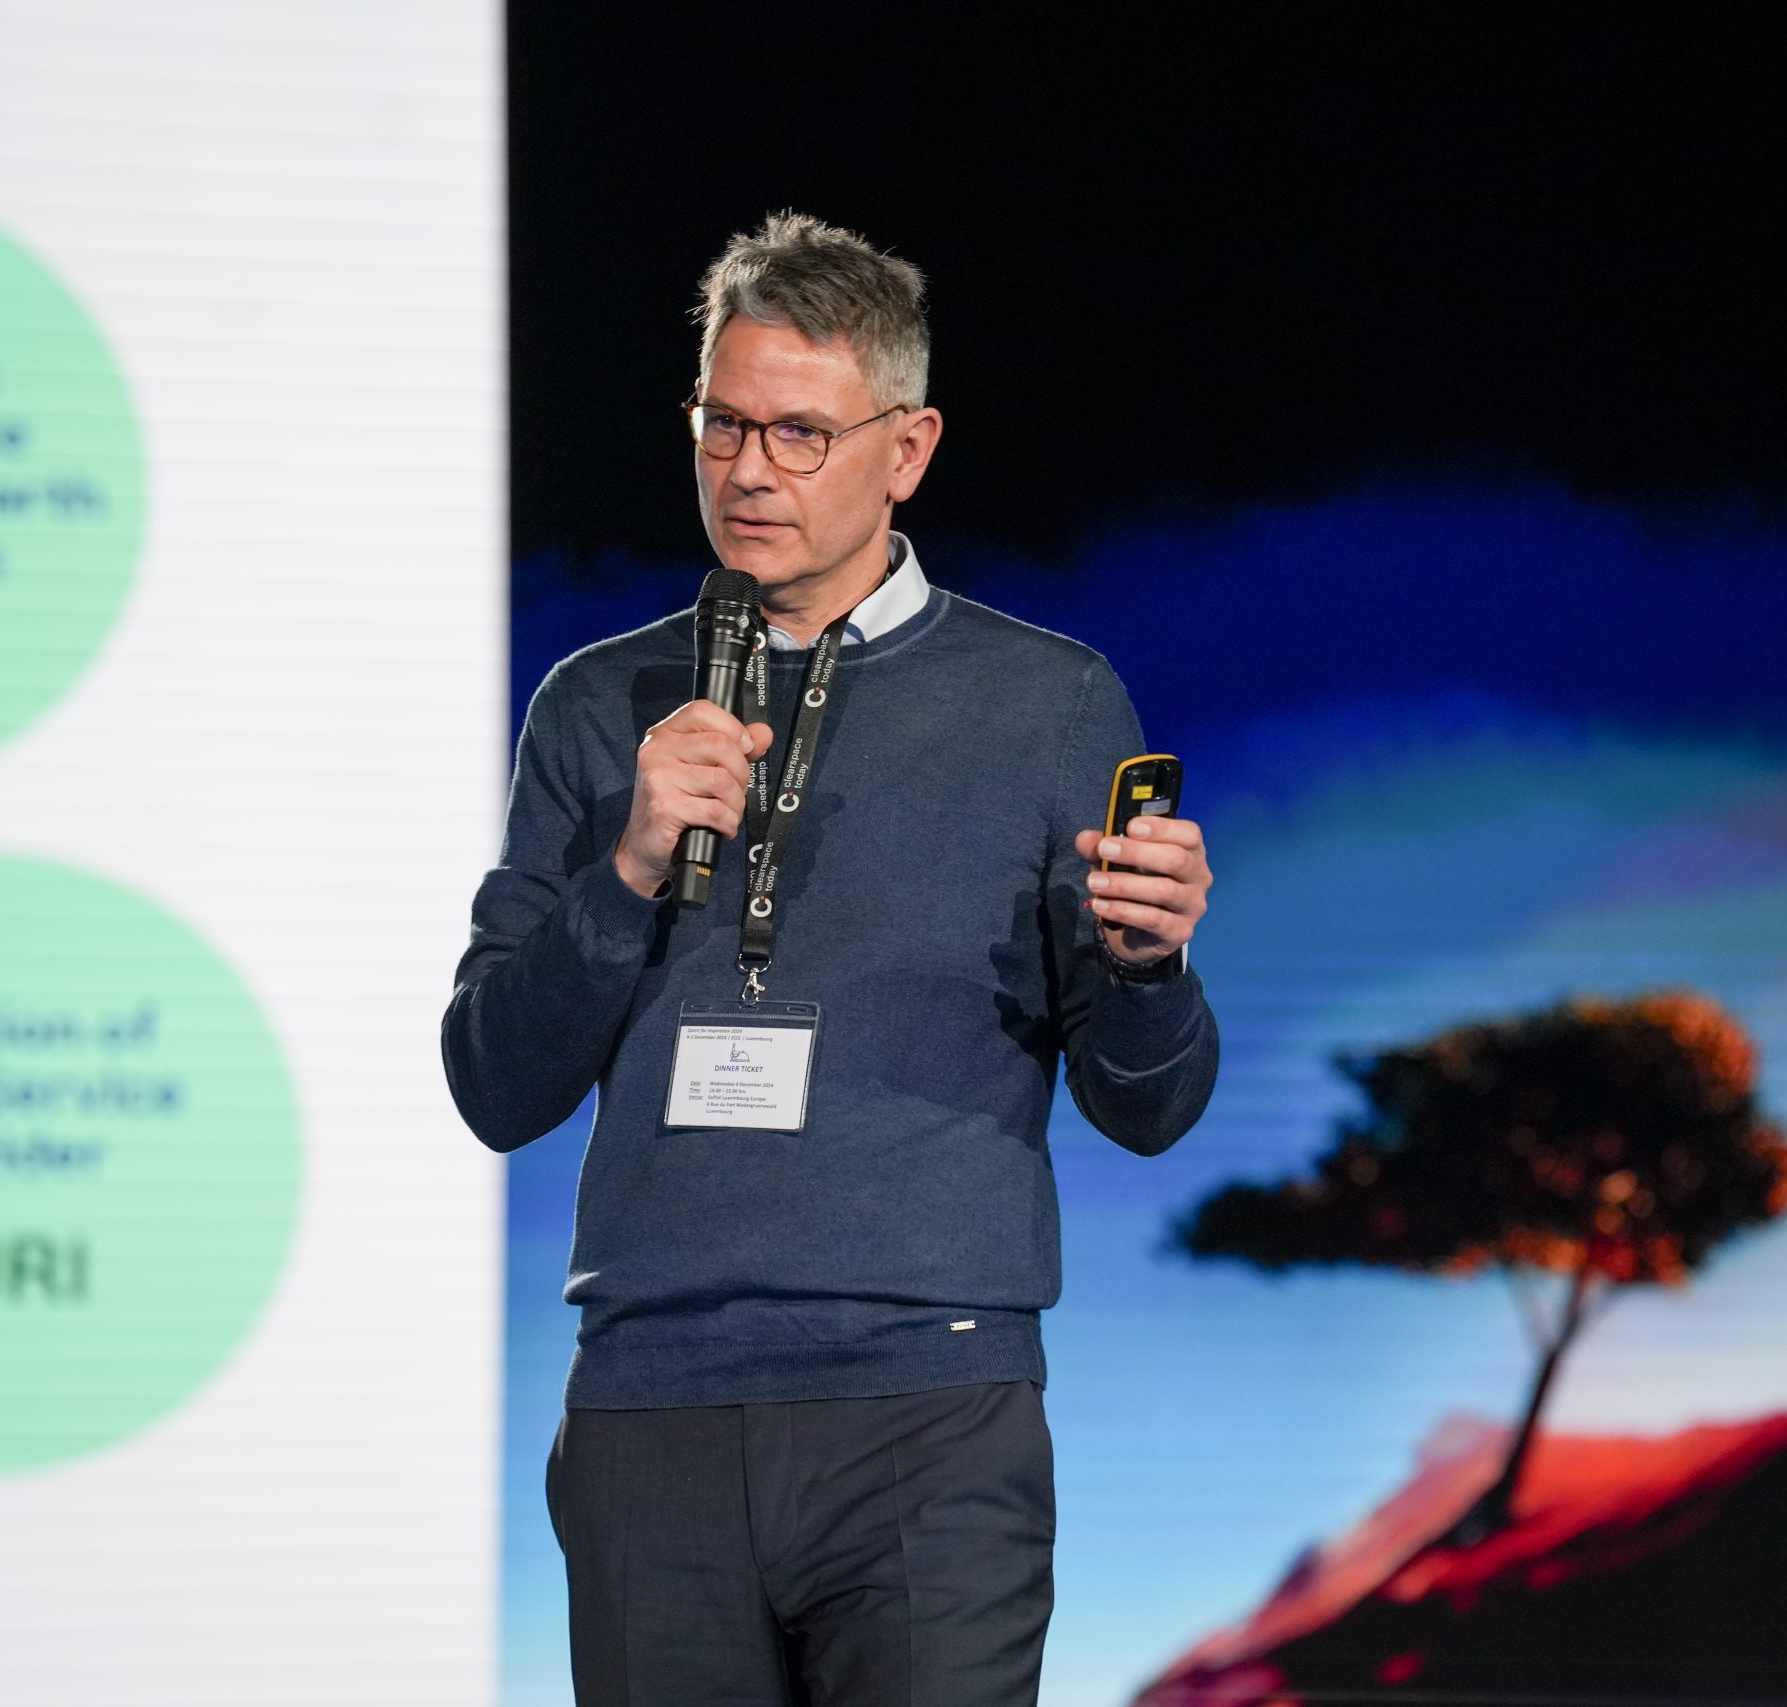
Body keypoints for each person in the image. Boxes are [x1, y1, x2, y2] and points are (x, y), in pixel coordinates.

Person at [444, 212, 1219, 1705]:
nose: (747, 471)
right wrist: (622, 870)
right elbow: (493, 1080)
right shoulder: (600, 707)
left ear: (907, 448)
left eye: (800, 434)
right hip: (653, 1403)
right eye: (721, 423)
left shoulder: (1049, 705)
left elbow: (1148, 1104)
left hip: (929, 1403)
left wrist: (1144, 969)